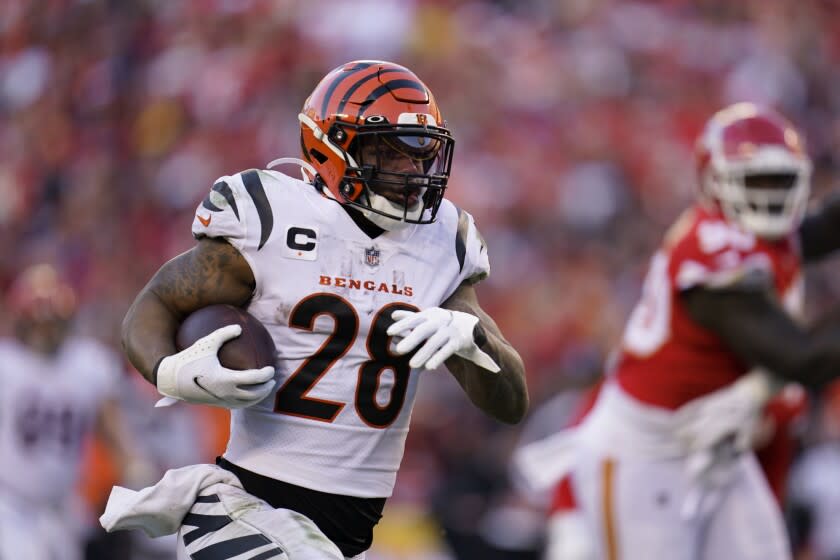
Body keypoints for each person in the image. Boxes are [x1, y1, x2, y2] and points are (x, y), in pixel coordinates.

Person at [103, 60, 528, 559]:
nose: (411, 171)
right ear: (330, 147)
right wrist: (170, 371)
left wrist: (472, 339)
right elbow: (154, 305)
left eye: (419, 153)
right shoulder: (273, 219)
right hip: (244, 512)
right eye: (388, 151)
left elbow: (511, 403)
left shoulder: (442, 244)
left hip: (348, 538)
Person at [557, 102, 840, 560]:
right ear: (715, 181)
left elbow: (824, 228)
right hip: (645, 456)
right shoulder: (710, 255)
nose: (769, 196)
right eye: (754, 182)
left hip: (715, 451)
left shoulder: (753, 233)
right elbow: (803, 357)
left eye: (780, 181)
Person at [0, 264, 141, 560]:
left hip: (63, 504)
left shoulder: (87, 364)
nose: (45, 329)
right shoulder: (7, 364)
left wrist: (132, 464)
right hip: (10, 502)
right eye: (38, 321)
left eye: (52, 321)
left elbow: (110, 425)